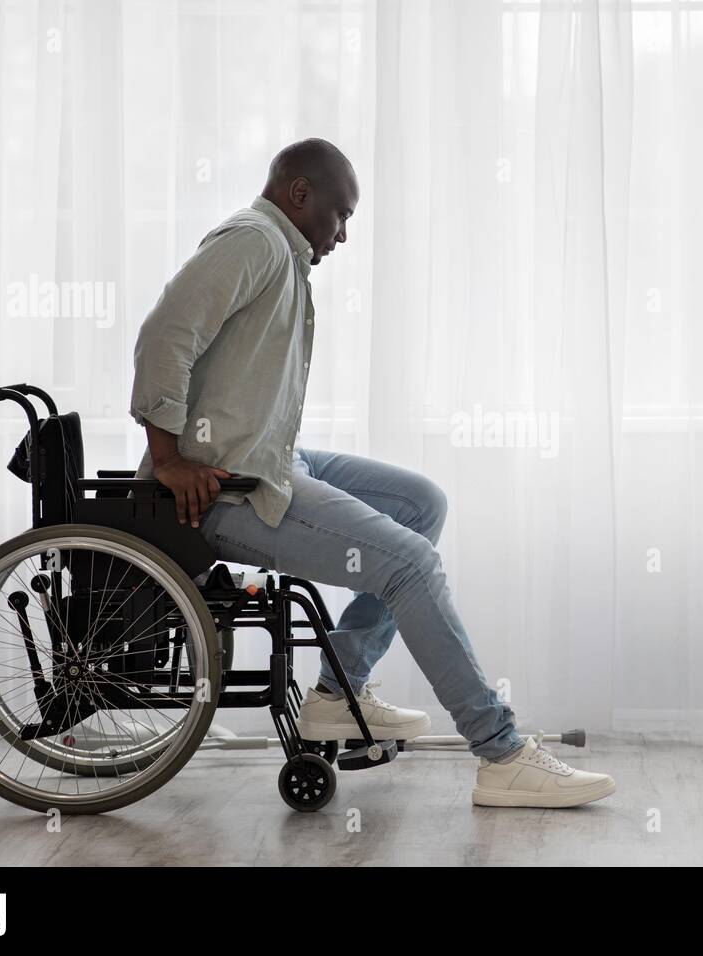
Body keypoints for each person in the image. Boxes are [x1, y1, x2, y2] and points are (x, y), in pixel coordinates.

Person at [128, 138, 615, 808]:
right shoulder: (255, 243)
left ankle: (338, 690)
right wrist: (169, 459)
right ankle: (501, 755)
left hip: (265, 459)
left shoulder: (281, 254)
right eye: (340, 213)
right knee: (409, 564)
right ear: (300, 195)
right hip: (227, 488)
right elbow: (163, 336)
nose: (345, 233)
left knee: (421, 503)